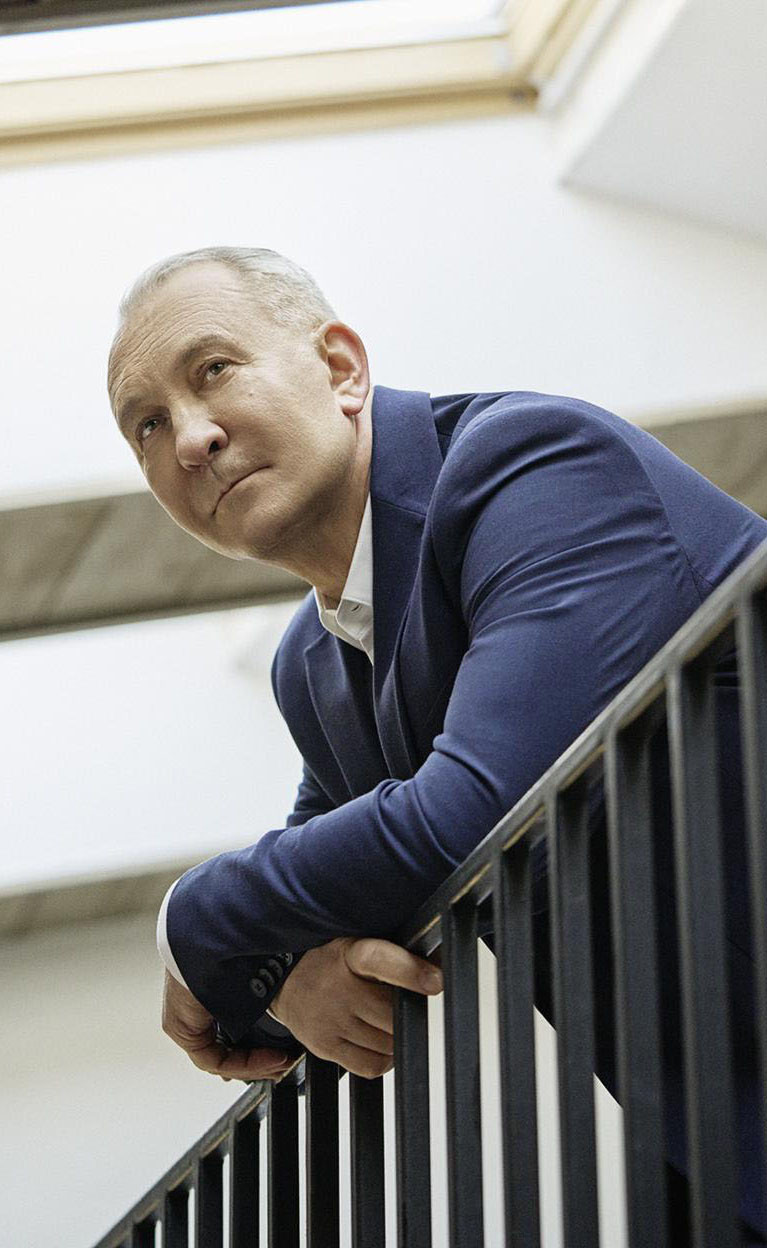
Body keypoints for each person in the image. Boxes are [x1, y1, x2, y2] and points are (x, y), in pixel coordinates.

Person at [108, 245, 767, 1243]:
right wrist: (292, 977)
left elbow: (472, 812)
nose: (191, 438)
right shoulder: (310, 662)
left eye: (215, 369)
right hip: (713, 1156)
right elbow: (285, 942)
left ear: (341, 369)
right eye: (147, 425)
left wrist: (190, 914)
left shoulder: (533, 468)